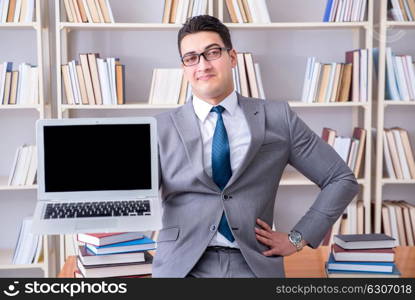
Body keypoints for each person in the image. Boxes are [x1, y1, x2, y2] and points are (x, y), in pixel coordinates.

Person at [152, 15, 359, 278]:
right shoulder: (159, 127)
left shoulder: (277, 117)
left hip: (254, 263)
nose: (202, 65)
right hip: (182, 265)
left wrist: (297, 238)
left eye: (212, 52)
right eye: (191, 58)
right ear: (184, 67)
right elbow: (132, 193)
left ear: (232, 57)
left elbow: (340, 178)